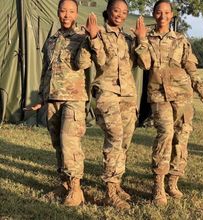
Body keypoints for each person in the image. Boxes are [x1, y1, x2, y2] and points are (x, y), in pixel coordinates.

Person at [24, 0, 103, 207]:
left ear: (76, 14)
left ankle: (76, 189)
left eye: (71, 11)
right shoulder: (51, 40)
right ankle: (65, 184)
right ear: (58, 13)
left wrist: (91, 37)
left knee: (70, 143)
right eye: (63, 11)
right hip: (52, 99)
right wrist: (42, 97)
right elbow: (46, 71)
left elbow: (83, 63)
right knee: (58, 144)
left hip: (74, 99)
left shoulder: (81, 37)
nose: (66, 15)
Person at [142, 0, 203, 206]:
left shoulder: (181, 39)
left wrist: (201, 90)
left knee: (182, 136)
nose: (162, 16)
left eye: (166, 12)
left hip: (183, 94)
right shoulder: (146, 38)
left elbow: (190, 66)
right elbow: (144, 63)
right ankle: (158, 185)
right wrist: (141, 40)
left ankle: (173, 181)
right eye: (159, 12)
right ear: (154, 14)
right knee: (165, 133)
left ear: (172, 14)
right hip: (159, 94)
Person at [78, 0, 149, 210]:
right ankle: (109, 190)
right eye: (116, 10)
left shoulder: (129, 39)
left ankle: (117, 184)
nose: (120, 15)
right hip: (107, 93)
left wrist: (141, 39)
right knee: (115, 137)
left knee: (125, 141)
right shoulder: (97, 33)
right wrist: (92, 38)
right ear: (108, 11)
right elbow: (98, 61)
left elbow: (145, 64)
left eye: (124, 12)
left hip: (128, 96)